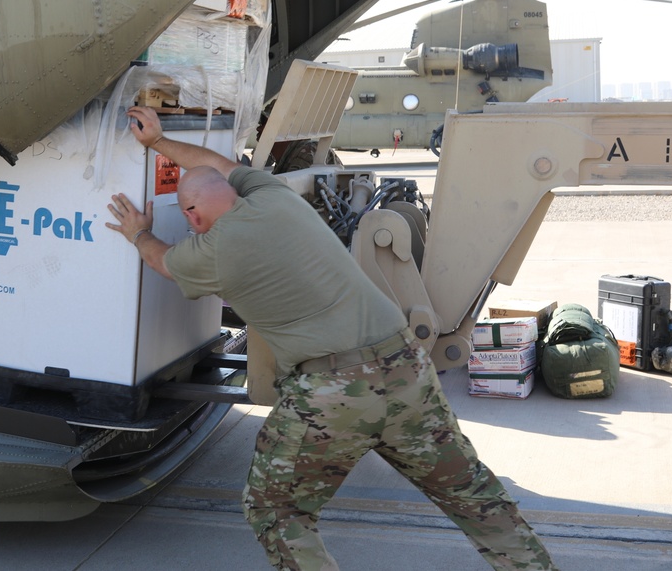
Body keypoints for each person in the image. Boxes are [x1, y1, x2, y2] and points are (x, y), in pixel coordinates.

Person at [106, 106, 558, 571]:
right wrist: (159, 142)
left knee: (275, 512)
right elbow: (220, 168)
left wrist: (139, 234)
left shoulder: (212, 250)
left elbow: (164, 261)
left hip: (333, 392)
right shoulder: (272, 197)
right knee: (472, 495)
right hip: (407, 368)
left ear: (194, 216)